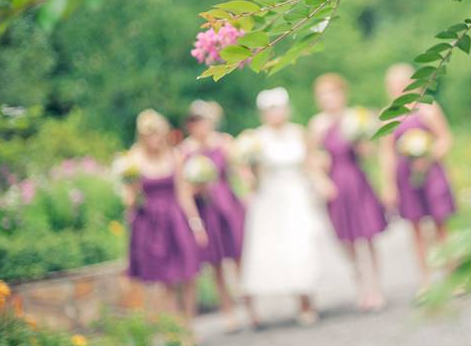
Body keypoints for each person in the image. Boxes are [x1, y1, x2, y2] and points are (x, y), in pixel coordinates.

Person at [240, 87, 335, 327]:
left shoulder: (298, 133)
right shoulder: (256, 139)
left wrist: (322, 182)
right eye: (271, 110)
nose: (276, 114)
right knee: (272, 247)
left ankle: (306, 300)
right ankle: (260, 308)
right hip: (270, 197)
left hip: (297, 193)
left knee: (302, 243)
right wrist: (249, 179)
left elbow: (309, 162)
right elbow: (248, 172)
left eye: (279, 108)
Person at [308, 73, 387, 311]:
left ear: (342, 94)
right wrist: (321, 180)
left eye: (332, 93)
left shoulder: (355, 118)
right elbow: (311, 158)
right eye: (323, 95)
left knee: (368, 235)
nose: (328, 98)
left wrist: (363, 145)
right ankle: (360, 284)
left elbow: (370, 153)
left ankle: (375, 287)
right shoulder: (317, 124)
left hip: (357, 179)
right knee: (346, 239)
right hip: (335, 185)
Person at [380, 64, 456, 292]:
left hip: (433, 174)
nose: (398, 87)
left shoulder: (428, 109)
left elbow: (446, 139)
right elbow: (386, 154)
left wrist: (429, 155)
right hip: (406, 178)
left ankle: (453, 276)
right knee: (416, 230)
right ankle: (426, 281)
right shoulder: (388, 116)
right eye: (393, 84)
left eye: (402, 82)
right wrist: (388, 185)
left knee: (442, 227)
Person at [124, 109, 206, 320]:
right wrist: (131, 189)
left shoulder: (174, 155)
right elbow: (130, 201)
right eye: (148, 134)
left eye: (157, 133)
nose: (154, 139)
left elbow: (184, 193)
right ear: (142, 136)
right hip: (151, 223)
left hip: (175, 219)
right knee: (165, 279)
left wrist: (196, 224)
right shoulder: (134, 160)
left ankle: (189, 324)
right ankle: (175, 331)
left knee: (189, 274)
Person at [179, 100, 246, 332]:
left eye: (205, 120)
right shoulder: (185, 151)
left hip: (228, 204)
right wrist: (196, 224)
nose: (201, 126)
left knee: (240, 257)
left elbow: (239, 170)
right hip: (206, 209)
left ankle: (249, 306)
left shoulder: (224, 142)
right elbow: (184, 192)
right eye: (196, 121)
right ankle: (228, 312)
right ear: (190, 125)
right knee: (216, 264)